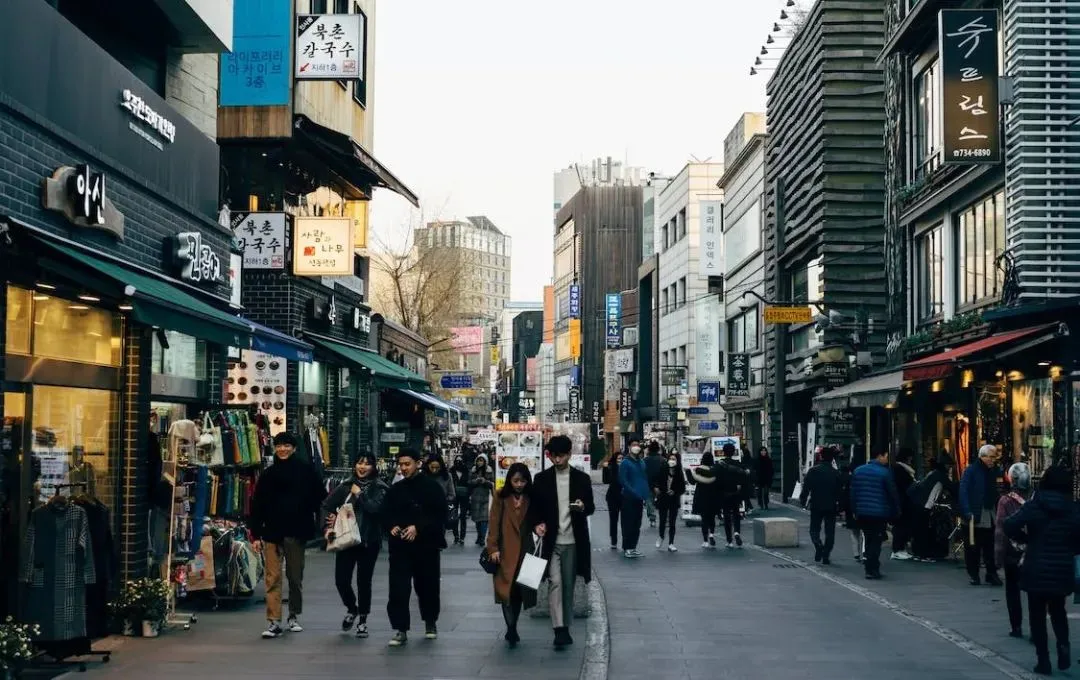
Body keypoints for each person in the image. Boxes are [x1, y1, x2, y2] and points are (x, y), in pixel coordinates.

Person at [249, 432, 327, 639]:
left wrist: (313, 520)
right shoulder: (269, 474)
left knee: (295, 576)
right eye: (278, 446)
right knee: (272, 577)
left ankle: (293, 615)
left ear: (294, 448)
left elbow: (320, 497)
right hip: (272, 532)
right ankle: (274, 620)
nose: (282, 449)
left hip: (296, 531)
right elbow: (257, 505)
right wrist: (255, 534)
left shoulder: (306, 471)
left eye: (286, 446)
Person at [1004, 465, 1080, 675]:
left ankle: (1043, 660)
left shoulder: (1035, 505)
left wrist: (1027, 539)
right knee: (1058, 610)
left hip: (1035, 566)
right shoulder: (1072, 508)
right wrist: (1070, 548)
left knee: (1036, 615)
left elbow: (1009, 525)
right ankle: (1063, 646)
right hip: (1061, 567)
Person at [527, 435, 594, 649]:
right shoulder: (541, 479)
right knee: (555, 582)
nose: (557, 460)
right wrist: (537, 524)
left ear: (569, 454)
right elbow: (534, 509)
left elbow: (591, 507)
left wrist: (583, 507)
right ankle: (559, 628)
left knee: (568, 584)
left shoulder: (582, 479)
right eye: (553, 456)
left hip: (574, 541)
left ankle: (566, 624)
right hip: (551, 541)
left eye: (561, 456)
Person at [382, 448, 448, 647]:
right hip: (400, 546)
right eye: (400, 464)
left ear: (418, 464)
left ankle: (430, 622)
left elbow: (440, 515)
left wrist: (418, 527)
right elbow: (385, 512)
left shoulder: (432, 487)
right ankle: (400, 628)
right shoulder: (395, 489)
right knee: (398, 588)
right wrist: (391, 526)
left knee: (427, 586)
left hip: (426, 546)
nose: (403, 468)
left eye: (407, 464)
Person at [321, 452, 389, 638]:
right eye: (359, 463)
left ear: (373, 467)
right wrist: (328, 524)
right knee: (341, 580)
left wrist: (360, 495)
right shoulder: (345, 486)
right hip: (346, 539)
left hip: (369, 541)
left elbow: (375, 509)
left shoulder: (380, 487)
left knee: (363, 581)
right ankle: (352, 608)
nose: (362, 467)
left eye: (367, 464)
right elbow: (326, 505)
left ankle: (363, 621)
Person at [486, 463, 537, 647]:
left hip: (525, 549)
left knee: (519, 591)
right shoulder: (501, 496)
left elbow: (537, 519)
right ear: (509, 480)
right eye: (515, 481)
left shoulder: (531, 497)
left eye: (523, 481)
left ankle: (513, 625)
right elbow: (493, 523)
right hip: (505, 550)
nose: (519, 485)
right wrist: (493, 548)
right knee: (505, 591)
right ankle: (511, 627)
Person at [849, 448, 900, 580]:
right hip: (879, 513)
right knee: (876, 541)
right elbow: (892, 493)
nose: (887, 460)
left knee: (868, 538)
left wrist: (854, 510)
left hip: (862, 512)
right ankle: (872, 568)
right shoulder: (885, 473)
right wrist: (896, 510)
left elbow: (853, 493)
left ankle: (870, 566)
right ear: (879, 456)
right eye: (886, 456)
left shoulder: (858, 471)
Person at [995, 462, 1030, 640]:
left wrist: (998, 557)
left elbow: (1000, 531)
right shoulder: (1034, 499)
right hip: (1031, 552)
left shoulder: (1005, 501)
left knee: (1012, 590)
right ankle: (1036, 628)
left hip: (1012, 552)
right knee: (1033, 593)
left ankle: (1016, 626)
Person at [959, 444, 1003, 586]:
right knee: (973, 547)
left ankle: (991, 573)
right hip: (975, 513)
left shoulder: (994, 471)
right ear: (982, 457)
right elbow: (964, 491)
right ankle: (974, 574)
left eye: (994, 457)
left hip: (989, 512)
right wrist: (967, 510)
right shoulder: (971, 471)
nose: (992, 460)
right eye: (990, 457)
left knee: (990, 546)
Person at [908, 454, 954, 561]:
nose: (950, 468)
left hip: (918, 503)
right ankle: (923, 554)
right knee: (923, 530)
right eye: (949, 465)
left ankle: (918, 553)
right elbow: (952, 488)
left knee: (920, 530)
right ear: (944, 465)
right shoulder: (941, 476)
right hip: (924, 505)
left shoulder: (933, 473)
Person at [799, 445, 841, 564]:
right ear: (832, 458)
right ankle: (826, 555)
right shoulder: (835, 473)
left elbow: (806, 488)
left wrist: (803, 500)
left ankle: (818, 544)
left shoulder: (813, 471)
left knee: (814, 528)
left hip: (816, 504)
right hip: (831, 505)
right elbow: (839, 492)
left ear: (821, 456)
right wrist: (840, 506)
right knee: (830, 532)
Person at [618, 440, 651, 558]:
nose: (636, 447)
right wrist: (633, 491)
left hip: (639, 498)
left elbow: (644, 478)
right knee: (628, 523)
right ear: (629, 447)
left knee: (637, 523)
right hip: (628, 497)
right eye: (633, 445)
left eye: (638, 445)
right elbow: (623, 480)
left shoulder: (641, 462)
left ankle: (633, 547)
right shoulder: (625, 462)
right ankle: (627, 547)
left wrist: (645, 494)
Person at [653, 450, 686, 552]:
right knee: (662, 520)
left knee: (672, 522)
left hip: (673, 500)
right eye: (670, 459)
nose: (671, 461)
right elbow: (656, 481)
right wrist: (656, 488)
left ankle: (671, 543)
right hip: (663, 498)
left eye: (674, 459)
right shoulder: (663, 469)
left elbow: (682, 488)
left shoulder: (679, 473)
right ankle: (661, 536)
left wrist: (675, 491)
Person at [890, 448, 917, 561]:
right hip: (902, 502)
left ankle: (901, 549)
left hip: (903, 502)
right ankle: (897, 549)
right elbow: (904, 485)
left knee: (903, 526)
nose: (911, 459)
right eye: (910, 457)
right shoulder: (900, 469)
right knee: (901, 526)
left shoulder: (900, 468)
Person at [690, 452, 718, 548]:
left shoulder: (698, 470)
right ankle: (712, 534)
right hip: (713, 495)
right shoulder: (714, 470)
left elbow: (692, 481)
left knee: (704, 519)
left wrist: (688, 472)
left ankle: (705, 540)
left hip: (701, 495)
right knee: (712, 517)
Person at [426, 456, 456, 541]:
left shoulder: (447, 476)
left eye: (437, 467)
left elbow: (452, 494)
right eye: (432, 467)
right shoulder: (423, 476)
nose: (434, 470)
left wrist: (443, 500)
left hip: (441, 510)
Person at [468, 454, 495, 546]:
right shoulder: (473, 470)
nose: (480, 462)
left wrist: (485, 481)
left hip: (486, 497)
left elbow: (492, 483)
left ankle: (482, 538)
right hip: (475, 497)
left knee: (484, 519)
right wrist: (475, 481)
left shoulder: (489, 470)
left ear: (485, 462)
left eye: (482, 461)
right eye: (478, 460)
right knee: (477, 520)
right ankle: (479, 536)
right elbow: (469, 482)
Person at [602, 451, 624, 550]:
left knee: (625, 520)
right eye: (619, 458)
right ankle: (613, 540)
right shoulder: (611, 468)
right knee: (613, 520)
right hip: (612, 497)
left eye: (622, 458)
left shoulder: (626, 468)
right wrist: (605, 469)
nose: (620, 460)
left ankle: (625, 540)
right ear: (615, 460)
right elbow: (605, 480)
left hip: (624, 497)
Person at [449, 456, 470, 545]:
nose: (458, 462)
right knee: (454, 515)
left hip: (464, 496)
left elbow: (469, 483)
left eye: (460, 461)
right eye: (457, 461)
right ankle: (456, 535)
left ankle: (462, 537)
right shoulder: (451, 471)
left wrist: (469, 494)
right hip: (454, 495)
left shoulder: (466, 471)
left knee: (463, 516)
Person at [643, 441, 664, 528]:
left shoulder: (645, 460)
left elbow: (644, 474)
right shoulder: (663, 460)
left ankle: (652, 519)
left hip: (648, 484)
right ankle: (665, 519)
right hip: (661, 485)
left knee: (649, 502)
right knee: (663, 502)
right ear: (658, 449)